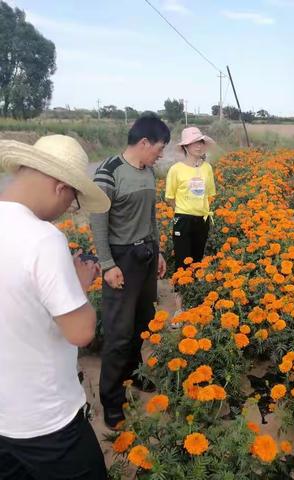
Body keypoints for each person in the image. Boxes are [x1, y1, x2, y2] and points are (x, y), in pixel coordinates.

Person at [0, 135, 110, 479]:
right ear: (61, 187)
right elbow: (80, 332)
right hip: (45, 420)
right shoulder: (43, 239)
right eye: (74, 201)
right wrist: (79, 287)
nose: (69, 210)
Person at [90, 112, 169, 429]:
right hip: (121, 260)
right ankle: (111, 401)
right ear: (144, 142)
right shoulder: (109, 172)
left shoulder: (149, 172)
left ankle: (135, 376)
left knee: (142, 324)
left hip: (146, 256)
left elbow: (152, 216)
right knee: (118, 334)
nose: (161, 153)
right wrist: (107, 264)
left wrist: (158, 251)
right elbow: (98, 220)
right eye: (160, 147)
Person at [165, 127, 216, 315]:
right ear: (185, 146)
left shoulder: (207, 168)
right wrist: (184, 211)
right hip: (183, 220)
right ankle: (179, 309)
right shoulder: (176, 170)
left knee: (197, 261)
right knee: (182, 263)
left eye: (201, 142)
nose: (198, 146)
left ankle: (194, 302)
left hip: (202, 220)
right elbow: (170, 197)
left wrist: (198, 210)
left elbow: (210, 195)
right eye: (194, 142)